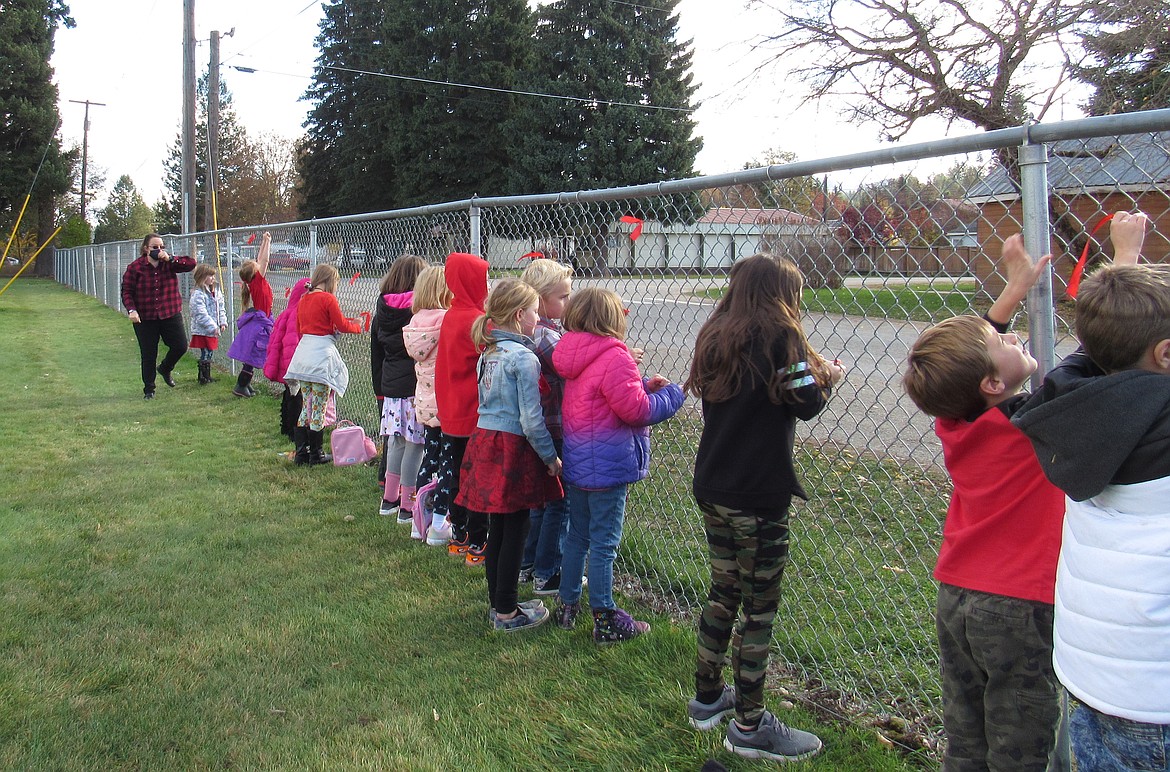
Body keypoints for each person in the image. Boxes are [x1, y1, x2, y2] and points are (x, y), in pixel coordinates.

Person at [1010, 212, 1170, 772]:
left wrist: (1124, 268)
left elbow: (1100, 352)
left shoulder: (1076, 414)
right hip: (1157, 701)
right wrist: (1126, 259)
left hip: (1093, 682)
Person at [901, 237, 1064, 772]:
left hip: (958, 594)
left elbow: (972, 360)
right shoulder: (1037, 425)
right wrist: (1127, 262)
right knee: (1019, 738)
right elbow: (1106, 354)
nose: (1014, 337)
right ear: (993, 381)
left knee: (967, 733)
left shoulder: (956, 420)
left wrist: (1014, 291)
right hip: (1018, 604)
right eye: (1006, 342)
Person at [551, 286, 684, 643]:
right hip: (608, 467)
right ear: (612, 320)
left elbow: (602, 395)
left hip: (579, 460)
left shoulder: (571, 354)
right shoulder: (615, 356)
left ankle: (567, 605)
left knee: (578, 536)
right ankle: (606, 617)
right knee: (605, 543)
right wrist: (672, 395)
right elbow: (637, 410)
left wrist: (641, 385)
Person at [454, 279, 562, 632]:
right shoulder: (524, 358)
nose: (537, 317)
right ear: (520, 315)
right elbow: (531, 420)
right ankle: (506, 612)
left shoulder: (489, 352)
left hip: (485, 441)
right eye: (534, 311)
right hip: (512, 448)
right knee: (516, 525)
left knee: (499, 526)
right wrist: (550, 457)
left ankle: (499, 601)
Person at [517, 258, 573, 593]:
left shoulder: (532, 332)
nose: (569, 301)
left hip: (538, 429)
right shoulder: (547, 337)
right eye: (563, 297)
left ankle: (528, 563)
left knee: (539, 501)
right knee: (559, 502)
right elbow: (573, 365)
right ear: (539, 301)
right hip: (555, 429)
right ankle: (548, 571)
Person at [434, 252, 490, 564]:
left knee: (456, 473)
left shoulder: (452, 315)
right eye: (482, 279)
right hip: (473, 412)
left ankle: (460, 535)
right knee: (477, 477)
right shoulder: (475, 320)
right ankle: (480, 541)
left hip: (451, 411)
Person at [282, 264, 362, 465]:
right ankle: (316, 454)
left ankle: (301, 452)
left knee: (305, 405)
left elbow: (301, 328)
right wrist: (357, 326)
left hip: (303, 357)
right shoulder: (328, 299)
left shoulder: (303, 299)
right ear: (329, 281)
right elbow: (342, 324)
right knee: (319, 407)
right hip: (320, 359)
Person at [371, 254, 427, 520]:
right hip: (414, 387)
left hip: (391, 388)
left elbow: (375, 351)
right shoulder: (418, 311)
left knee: (396, 443)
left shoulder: (382, 309)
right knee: (415, 444)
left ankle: (388, 499)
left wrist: (379, 389)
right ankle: (407, 506)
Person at [402, 265, 454, 543]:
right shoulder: (445, 320)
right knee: (448, 462)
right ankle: (437, 523)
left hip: (424, 401)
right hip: (445, 402)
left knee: (429, 457)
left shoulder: (415, 323)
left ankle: (416, 518)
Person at [120, 233, 196, 399]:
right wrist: (132, 310)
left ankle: (165, 368)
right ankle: (149, 389)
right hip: (145, 317)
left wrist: (170, 258)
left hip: (170, 312)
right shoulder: (135, 268)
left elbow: (191, 264)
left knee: (180, 346)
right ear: (146, 249)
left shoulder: (169, 263)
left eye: (162, 247)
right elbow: (126, 291)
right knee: (148, 353)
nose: (159, 250)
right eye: (155, 247)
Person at [228, 232, 275, 398]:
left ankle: (245, 385)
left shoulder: (253, 281)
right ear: (255, 271)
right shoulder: (257, 281)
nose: (258, 263)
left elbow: (260, 258)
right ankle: (241, 386)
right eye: (256, 265)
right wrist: (268, 241)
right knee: (252, 358)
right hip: (261, 323)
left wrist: (263, 241)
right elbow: (265, 260)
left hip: (262, 320)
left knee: (253, 357)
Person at [264, 277, 311, 444]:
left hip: (285, 363)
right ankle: (294, 430)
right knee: (296, 397)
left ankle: (285, 426)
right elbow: (292, 343)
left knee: (288, 395)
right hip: (293, 364)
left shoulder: (287, 312)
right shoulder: (297, 315)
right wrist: (297, 368)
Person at [188, 264, 227, 385]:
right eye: (210, 275)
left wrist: (222, 321)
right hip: (203, 330)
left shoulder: (215, 291)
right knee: (205, 352)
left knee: (210, 351)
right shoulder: (198, 294)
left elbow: (221, 307)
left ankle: (207, 375)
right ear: (202, 277)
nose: (212, 278)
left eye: (213, 275)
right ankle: (203, 376)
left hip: (212, 329)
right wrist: (212, 326)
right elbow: (200, 313)